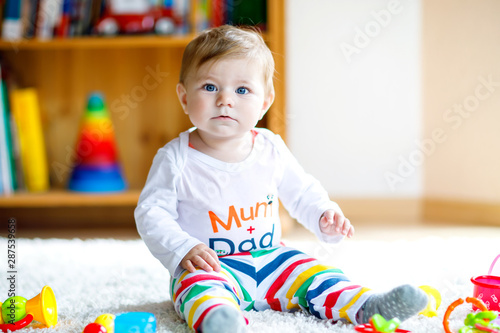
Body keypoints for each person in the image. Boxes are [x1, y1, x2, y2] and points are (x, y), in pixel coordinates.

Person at [134, 25, 427, 333]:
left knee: (315, 274)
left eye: (242, 90)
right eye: (209, 87)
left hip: (273, 259)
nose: (225, 100)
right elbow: (151, 212)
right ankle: (219, 321)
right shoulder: (175, 158)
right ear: (183, 97)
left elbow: (301, 191)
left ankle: (366, 306)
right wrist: (183, 248)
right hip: (211, 265)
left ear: (264, 102)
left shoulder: (270, 147)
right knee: (199, 290)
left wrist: (322, 214)